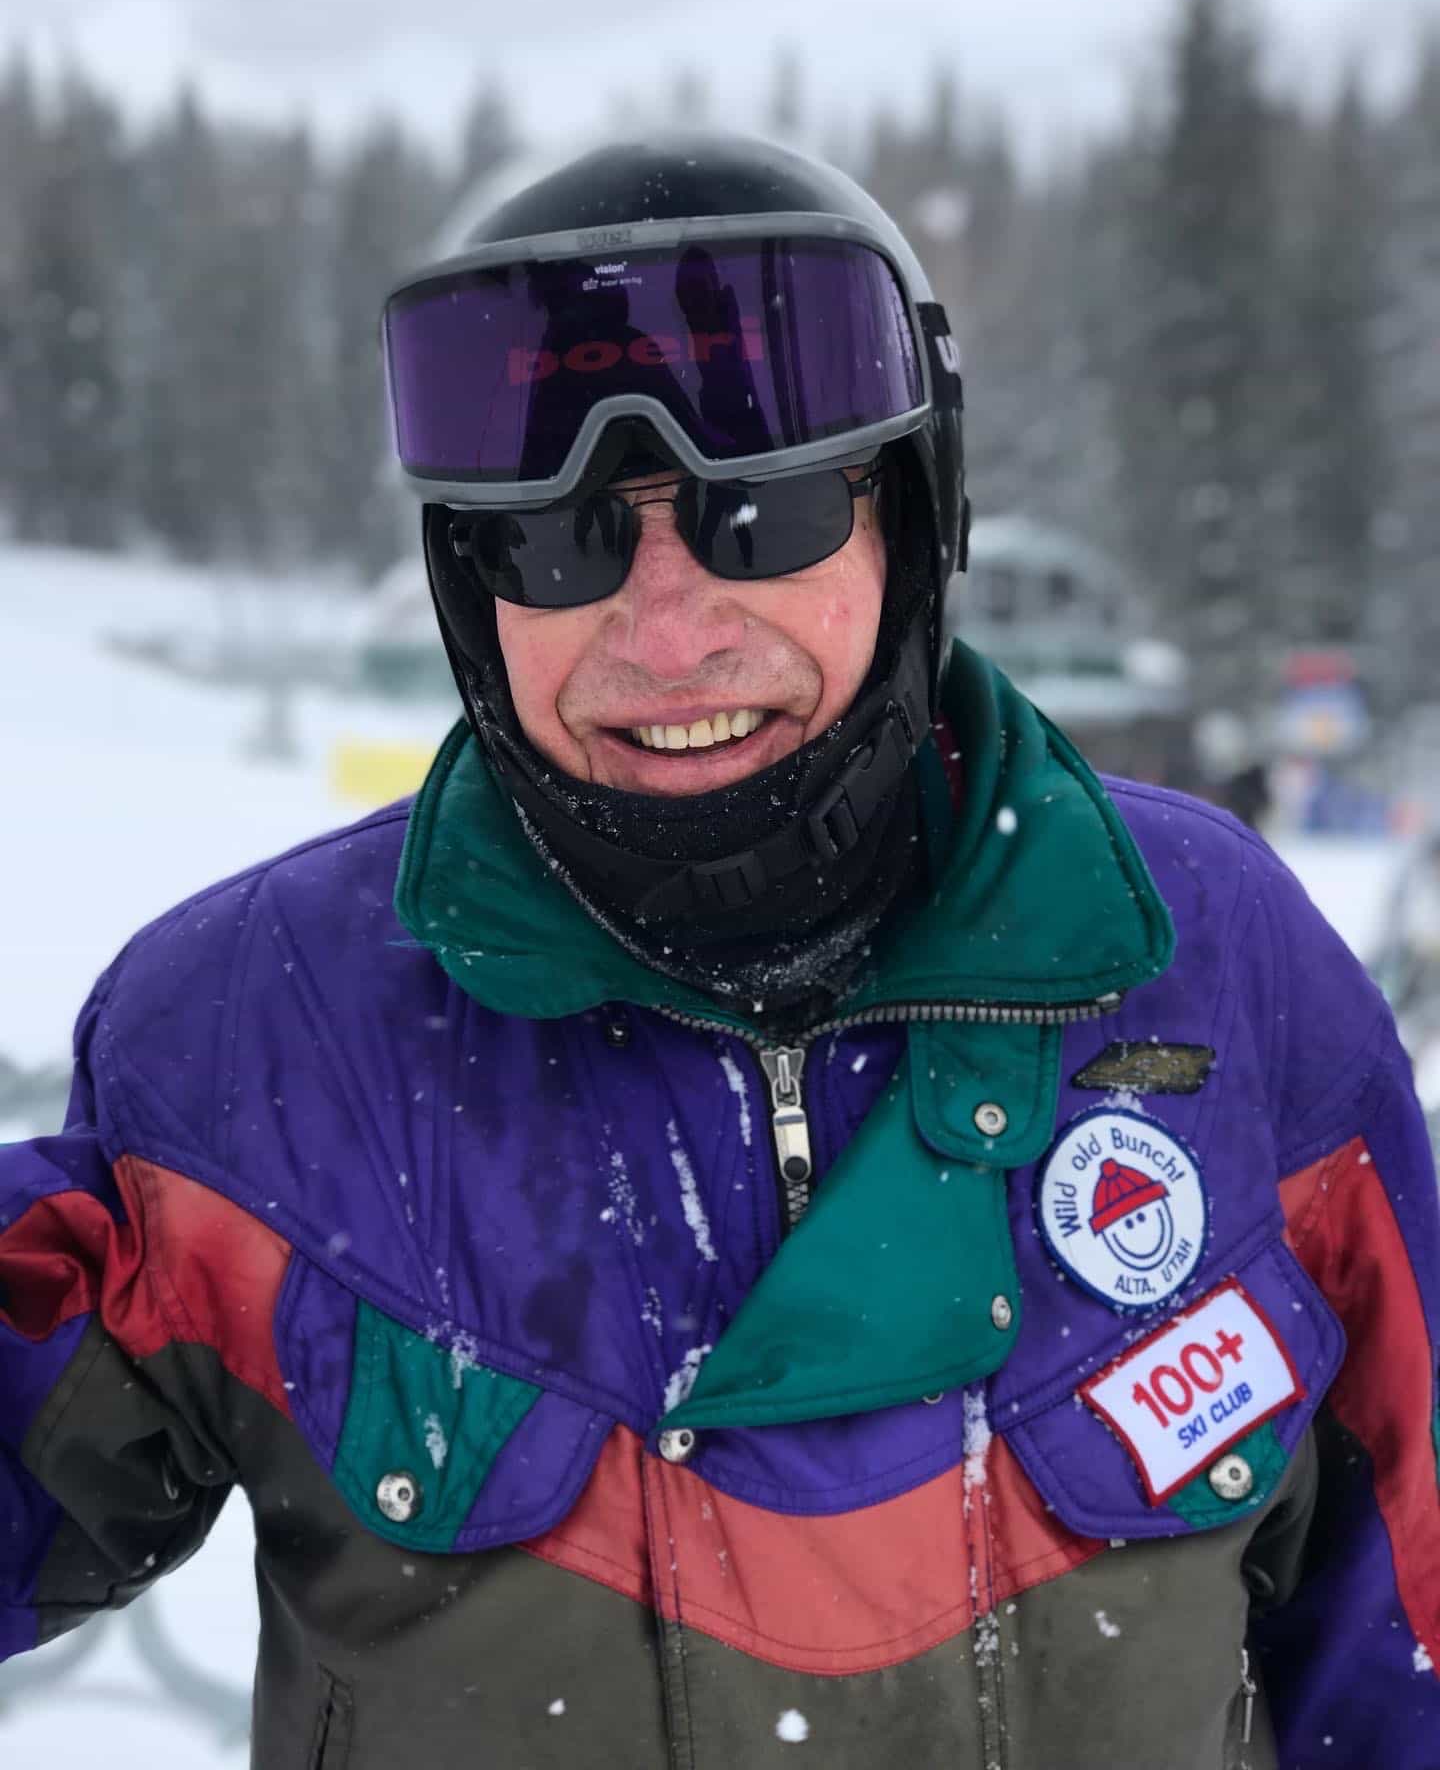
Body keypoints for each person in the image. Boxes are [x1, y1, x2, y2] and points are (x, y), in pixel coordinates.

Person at [2, 135, 1437, 1770]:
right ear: (475, 588)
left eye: (764, 513)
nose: (668, 629)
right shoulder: (258, 1041)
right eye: (564, 539)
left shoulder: (1215, 968)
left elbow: (1415, 1619)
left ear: (909, 519)